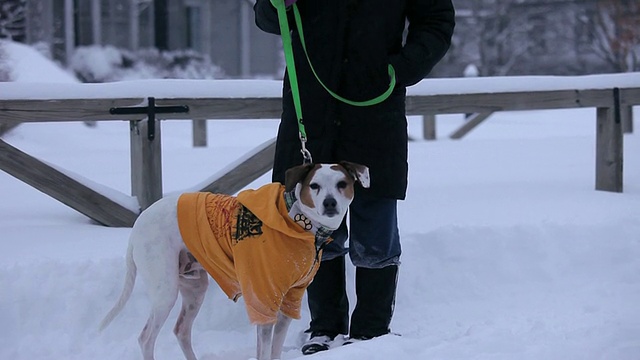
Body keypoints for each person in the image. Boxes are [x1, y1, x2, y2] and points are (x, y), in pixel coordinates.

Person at [253, 0, 455, 355]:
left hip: (374, 109)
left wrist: (401, 68)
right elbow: (268, 19)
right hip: (311, 110)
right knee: (314, 229)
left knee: (376, 226)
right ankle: (324, 328)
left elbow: (436, 19)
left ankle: (372, 332)